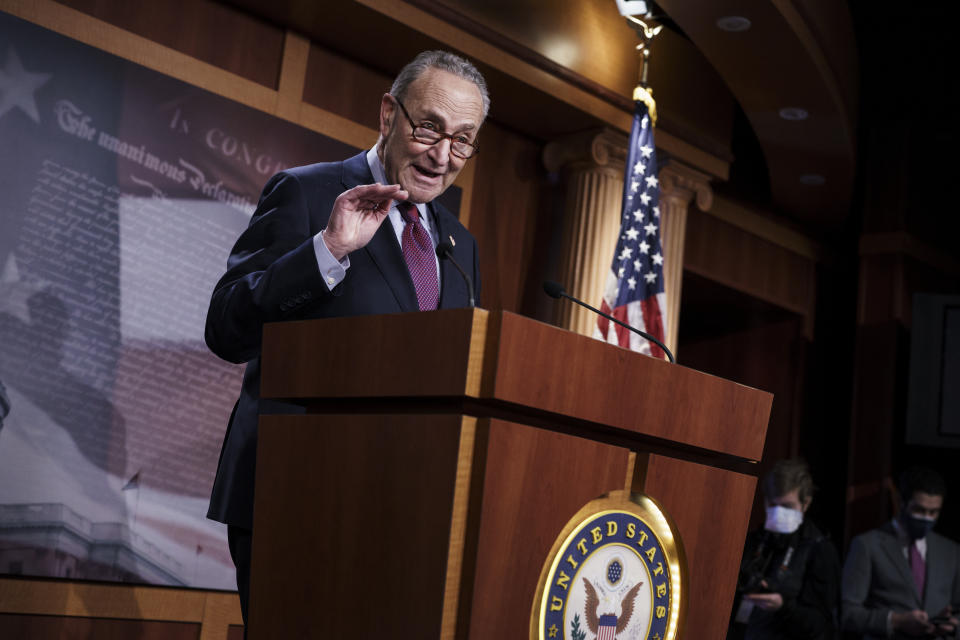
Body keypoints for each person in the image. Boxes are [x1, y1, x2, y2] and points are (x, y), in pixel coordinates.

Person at [203, 50, 488, 626]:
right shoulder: (308, 194)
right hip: (296, 498)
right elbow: (226, 327)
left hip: (404, 512)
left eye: (462, 140)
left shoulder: (460, 246)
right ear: (389, 114)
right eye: (429, 127)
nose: (442, 156)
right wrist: (326, 251)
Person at [729, 458, 841, 640]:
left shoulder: (819, 550)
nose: (779, 513)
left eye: (787, 506)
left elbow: (823, 626)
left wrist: (783, 606)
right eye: (773, 505)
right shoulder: (753, 541)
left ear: (806, 503)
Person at [842, 467, 960, 639]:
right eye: (919, 510)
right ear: (901, 503)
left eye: (933, 512)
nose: (926, 518)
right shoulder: (867, 545)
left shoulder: (950, 551)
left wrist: (954, 626)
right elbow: (848, 614)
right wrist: (896, 621)